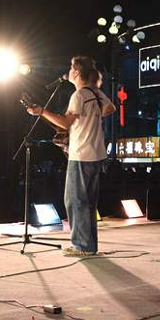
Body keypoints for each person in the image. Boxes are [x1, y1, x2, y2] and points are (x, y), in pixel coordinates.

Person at [27, 56, 114, 256]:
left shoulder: (79, 95)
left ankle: (82, 246)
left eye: (71, 67)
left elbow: (65, 123)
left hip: (81, 154)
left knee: (75, 201)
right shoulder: (96, 93)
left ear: (77, 72)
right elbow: (111, 108)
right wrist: (92, 117)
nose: (69, 71)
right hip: (96, 154)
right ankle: (89, 246)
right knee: (88, 202)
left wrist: (41, 112)